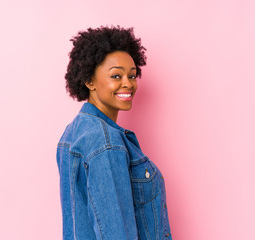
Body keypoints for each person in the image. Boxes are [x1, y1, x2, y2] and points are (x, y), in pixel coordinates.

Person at [56, 26, 172, 240]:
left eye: (132, 75)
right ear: (89, 80)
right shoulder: (106, 143)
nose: (128, 83)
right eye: (116, 75)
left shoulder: (72, 134)